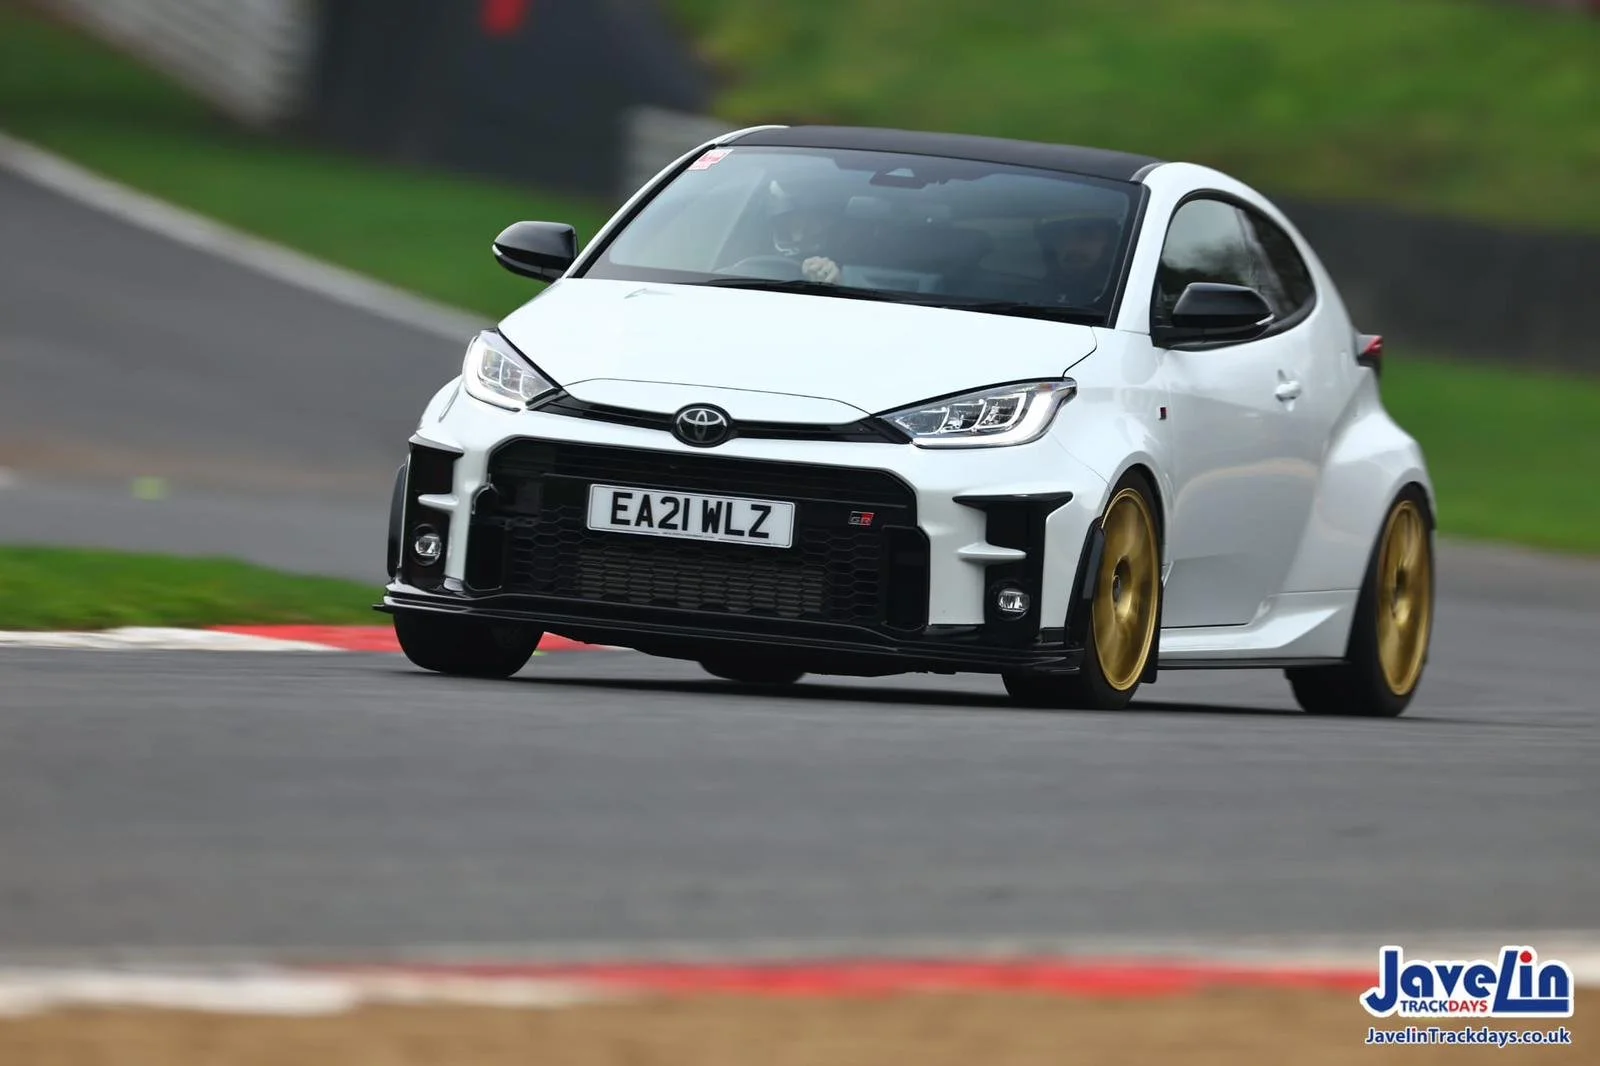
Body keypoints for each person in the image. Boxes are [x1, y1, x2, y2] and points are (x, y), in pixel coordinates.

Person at [766, 179, 846, 283]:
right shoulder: (755, 243)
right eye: (789, 218)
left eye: (813, 221)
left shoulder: (836, 254)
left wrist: (832, 276)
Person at [1035, 215, 1121, 307]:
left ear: (1108, 245)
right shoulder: (1028, 295)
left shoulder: (1127, 298)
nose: (1071, 246)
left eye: (1087, 236)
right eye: (1062, 237)